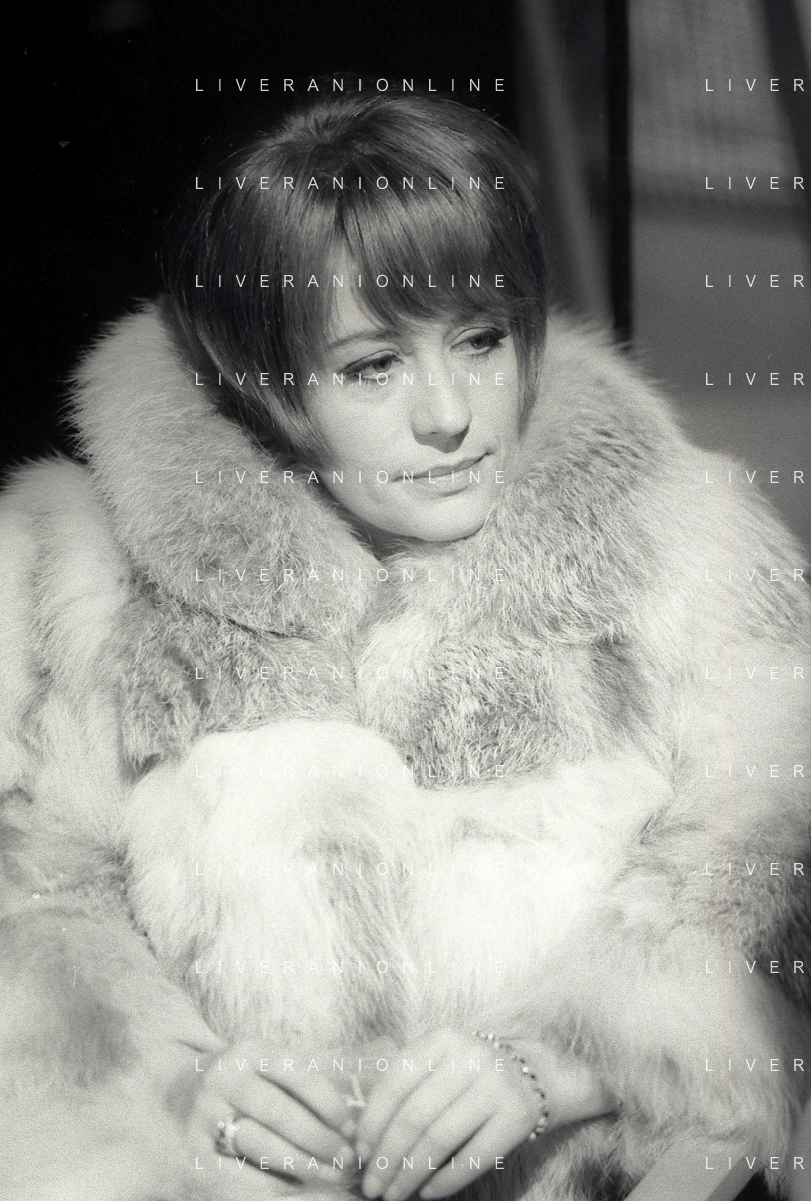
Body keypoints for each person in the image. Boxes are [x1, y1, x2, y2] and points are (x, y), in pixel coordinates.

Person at [0, 90, 809, 1201]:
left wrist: (572, 1053)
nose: (449, 414)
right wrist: (173, 1086)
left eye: (481, 339)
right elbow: (35, 903)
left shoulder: (677, 542)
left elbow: (778, 837)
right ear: (266, 385)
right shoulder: (84, 581)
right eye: (372, 365)